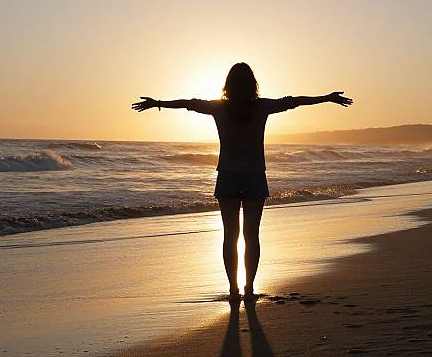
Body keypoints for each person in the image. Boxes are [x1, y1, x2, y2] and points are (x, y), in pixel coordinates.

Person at [132, 62, 353, 301]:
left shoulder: (219, 108)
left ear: (228, 85)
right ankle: (249, 288)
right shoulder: (262, 106)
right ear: (252, 84)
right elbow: (295, 100)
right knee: (251, 235)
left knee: (230, 235)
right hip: (255, 176)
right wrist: (327, 98)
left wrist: (158, 103)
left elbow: (189, 103)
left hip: (227, 175)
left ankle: (233, 290)